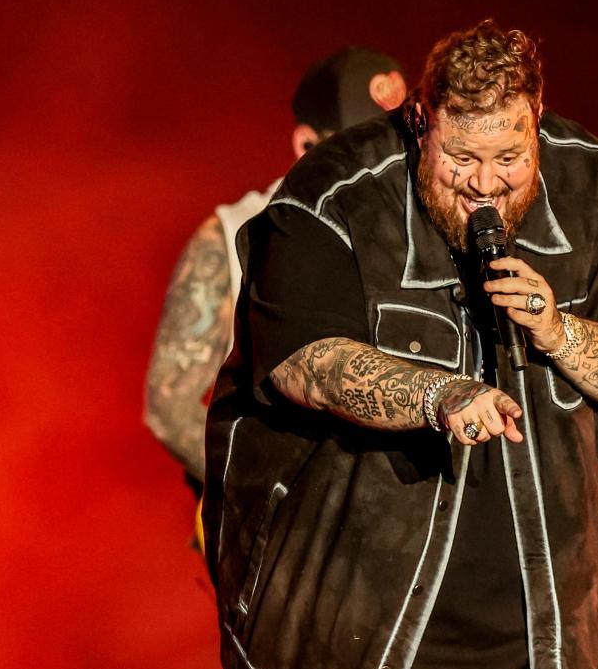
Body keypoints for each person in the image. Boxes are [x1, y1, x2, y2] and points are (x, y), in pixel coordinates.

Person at [203, 20, 598, 669]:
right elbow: (303, 363)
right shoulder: (331, 197)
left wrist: (559, 328)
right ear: (424, 122)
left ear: (537, 117)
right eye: (463, 159)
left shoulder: (597, 186)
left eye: (510, 156)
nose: (486, 185)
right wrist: (440, 395)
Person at [143, 48, 406, 489]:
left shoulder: (415, 234)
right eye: (360, 145)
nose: (384, 163)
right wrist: (265, 501)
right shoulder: (231, 236)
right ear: (307, 144)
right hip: (285, 545)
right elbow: (169, 407)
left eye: (397, 142)